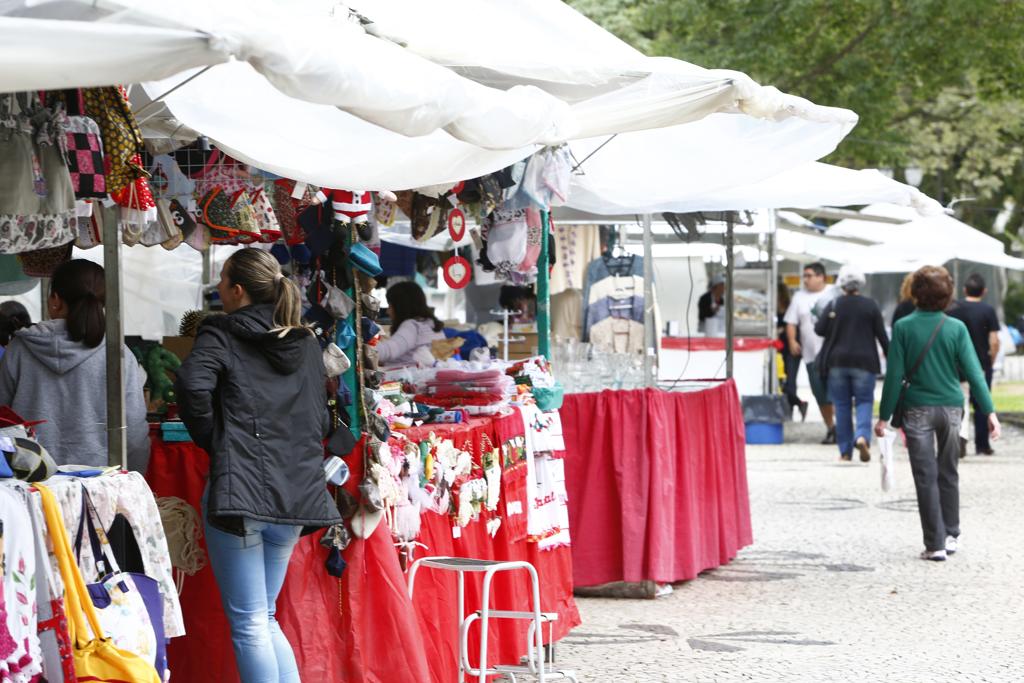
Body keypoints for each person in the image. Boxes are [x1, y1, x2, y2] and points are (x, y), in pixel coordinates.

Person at [175, 249, 340, 682]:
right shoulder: (306, 342)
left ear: (237, 290)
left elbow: (192, 386)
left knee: (252, 623)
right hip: (295, 490)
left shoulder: (221, 332)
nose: (218, 289)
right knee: (263, 617)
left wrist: (216, 440)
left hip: (242, 491)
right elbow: (322, 417)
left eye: (222, 281)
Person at [875, 266, 1000, 562]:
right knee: (949, 471)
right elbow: (975, 373)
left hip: (917, 409)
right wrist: (989, 411)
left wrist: (884, 416)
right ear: (947, 295)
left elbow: (894, 377)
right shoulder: (956, 328)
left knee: (925, 476)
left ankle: (935, 544)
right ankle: (952, 534)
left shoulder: (903, 327)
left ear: (914, 293)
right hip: (952, 408)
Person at [0, 260, 149, 470]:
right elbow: (134, 431)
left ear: (55, 300)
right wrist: (133, 476)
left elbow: (3, 419)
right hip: (100, 480)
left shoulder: (19, 349)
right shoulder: (117, 354)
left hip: (31, 478)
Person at [815, 266, 889, 462]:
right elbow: (882, 336)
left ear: (842, 284)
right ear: (860, 284)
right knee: (864, 401)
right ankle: (862, 437)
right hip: (865, 362)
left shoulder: (834, 304)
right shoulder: (870, 305)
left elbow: (819, 329)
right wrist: (892, 358)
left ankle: (845, 452)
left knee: (841, 405)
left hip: (837, 362)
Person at [784, 262, 837, 444]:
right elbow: (791, 322)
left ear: (821, 277)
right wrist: (792, 340)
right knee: (820, 394)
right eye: (804, 276)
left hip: (834, 355)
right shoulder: (799, 297)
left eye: (809, 276)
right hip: (811, 355)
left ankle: (842, 427)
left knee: (837, 393)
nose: (805, 280)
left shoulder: (834, 293)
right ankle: (831, 427)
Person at [948, 273, 1000, 456]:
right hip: (981, 363)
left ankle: (960, 436)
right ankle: (982, 445)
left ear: (964, 290)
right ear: (984, 291)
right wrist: (991, 359)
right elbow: (994, 340)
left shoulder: (954, 308)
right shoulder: (988, 310)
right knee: (981, 405)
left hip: (958, 364)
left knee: (960, 400)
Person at [378, 281, 446, 367]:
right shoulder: (430, 324)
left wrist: (364, 345)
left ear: (401, 307)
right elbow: (407, 357)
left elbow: (387, 351)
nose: (387, 311)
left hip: (411, 375)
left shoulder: (412, 326)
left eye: (390, 306)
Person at [777, 282, 808, 420]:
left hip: (791, 349)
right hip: (779, 349)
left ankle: (791, 407)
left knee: (790, 381)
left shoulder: (791, 308)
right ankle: (797, 404)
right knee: (782, 381)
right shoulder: (774, 310)